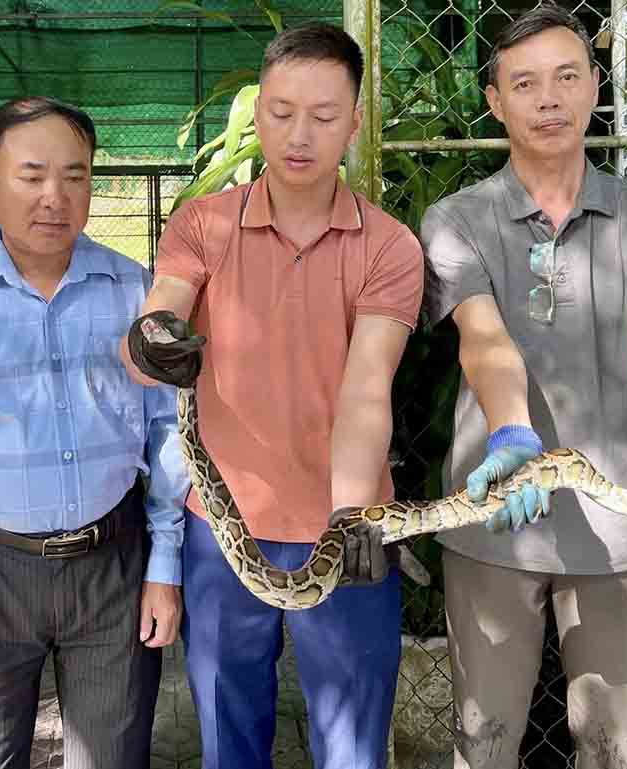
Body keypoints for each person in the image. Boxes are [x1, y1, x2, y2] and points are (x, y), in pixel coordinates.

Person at [419, 5, 627, 768]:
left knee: (614, 749)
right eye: (524, 83)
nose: (549, 99)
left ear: (595, 85)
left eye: (566, 77)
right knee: (483, 742)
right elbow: (483, 340)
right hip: (495, 511)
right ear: (495, 102)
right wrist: (512, 430)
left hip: (620, 521)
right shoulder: (456, 218)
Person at [121, 22, 425, 769]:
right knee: (229, 735)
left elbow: (367, 390)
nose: (300, 135)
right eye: (283, 112)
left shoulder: (389, 246)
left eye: (324, 116)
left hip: (345, 527)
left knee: (352, 746)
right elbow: (154, 326)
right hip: (222, 530)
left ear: (355, 123)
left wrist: (351, 516)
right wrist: (152, 341)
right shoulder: (203, 224)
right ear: (258, 114)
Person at [0, 96, 189, 769]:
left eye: (75, 175)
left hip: (112, 566)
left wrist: (164, 565)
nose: (55, 196)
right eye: (31, 176)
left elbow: (166, 429)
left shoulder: (133, 289)